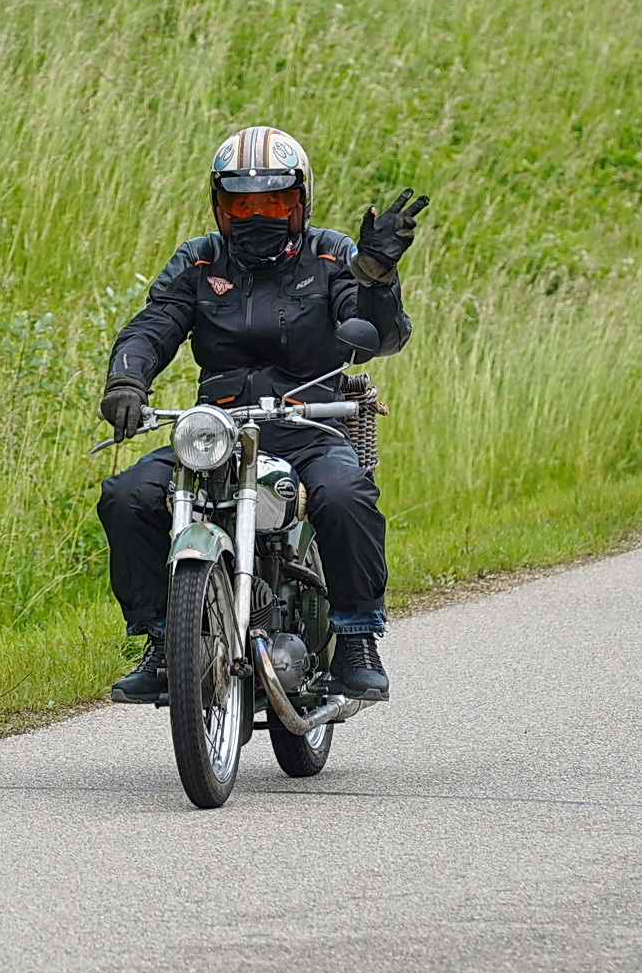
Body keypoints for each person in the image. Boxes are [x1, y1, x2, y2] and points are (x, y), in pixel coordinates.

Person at [98, 126, 423, 705]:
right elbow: (154, 324)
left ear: (300, 201)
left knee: (345, 494)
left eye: (273, 202)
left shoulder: (333, 256)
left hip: (309, 423)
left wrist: (377, 277)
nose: (257, 216)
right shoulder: (198, 260)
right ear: (218, 205)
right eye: (241, 204)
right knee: (127, 496)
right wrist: (127, 380)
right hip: (219, 430)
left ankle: (356, 638)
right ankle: (162, 640)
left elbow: (383, 336)